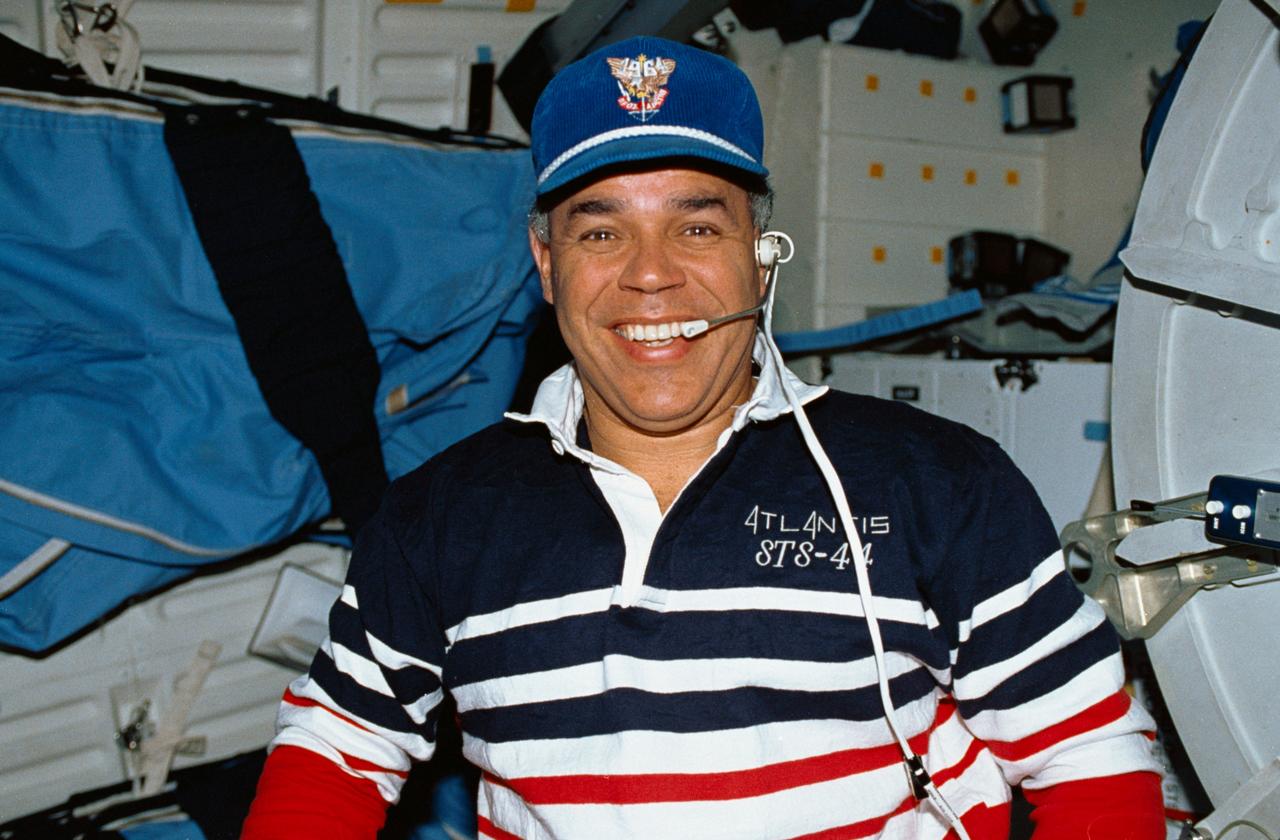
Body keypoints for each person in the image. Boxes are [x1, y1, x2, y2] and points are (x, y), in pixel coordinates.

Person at [243, 35, 1164, 839]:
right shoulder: (437, 519)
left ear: (760, 255)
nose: (652, 276)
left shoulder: (934, 481)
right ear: (546, 264)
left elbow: (1091, 756)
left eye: (696, 225)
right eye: (601, 232)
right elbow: (338, 747)